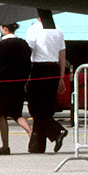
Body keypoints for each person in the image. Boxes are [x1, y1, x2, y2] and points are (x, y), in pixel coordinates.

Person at [0, 21, 34, 155]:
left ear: (4, 28)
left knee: (2, 114)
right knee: (17, 113)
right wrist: (25, 80)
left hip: (5, 84)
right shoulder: (23, 43)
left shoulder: (4, 44)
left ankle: (5, 146)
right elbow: (28, 64)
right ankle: (31, 133)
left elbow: (1, 66)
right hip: (19, 83)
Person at [27, 16, 69, 153]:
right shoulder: (58, 30)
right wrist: (61, 77)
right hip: (54, 68)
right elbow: (62, 55)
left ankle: (57, 131)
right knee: (45, 107)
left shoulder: (33, 29)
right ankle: (37, 146)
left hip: (39, 69)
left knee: (34, 107)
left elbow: (29, 50)